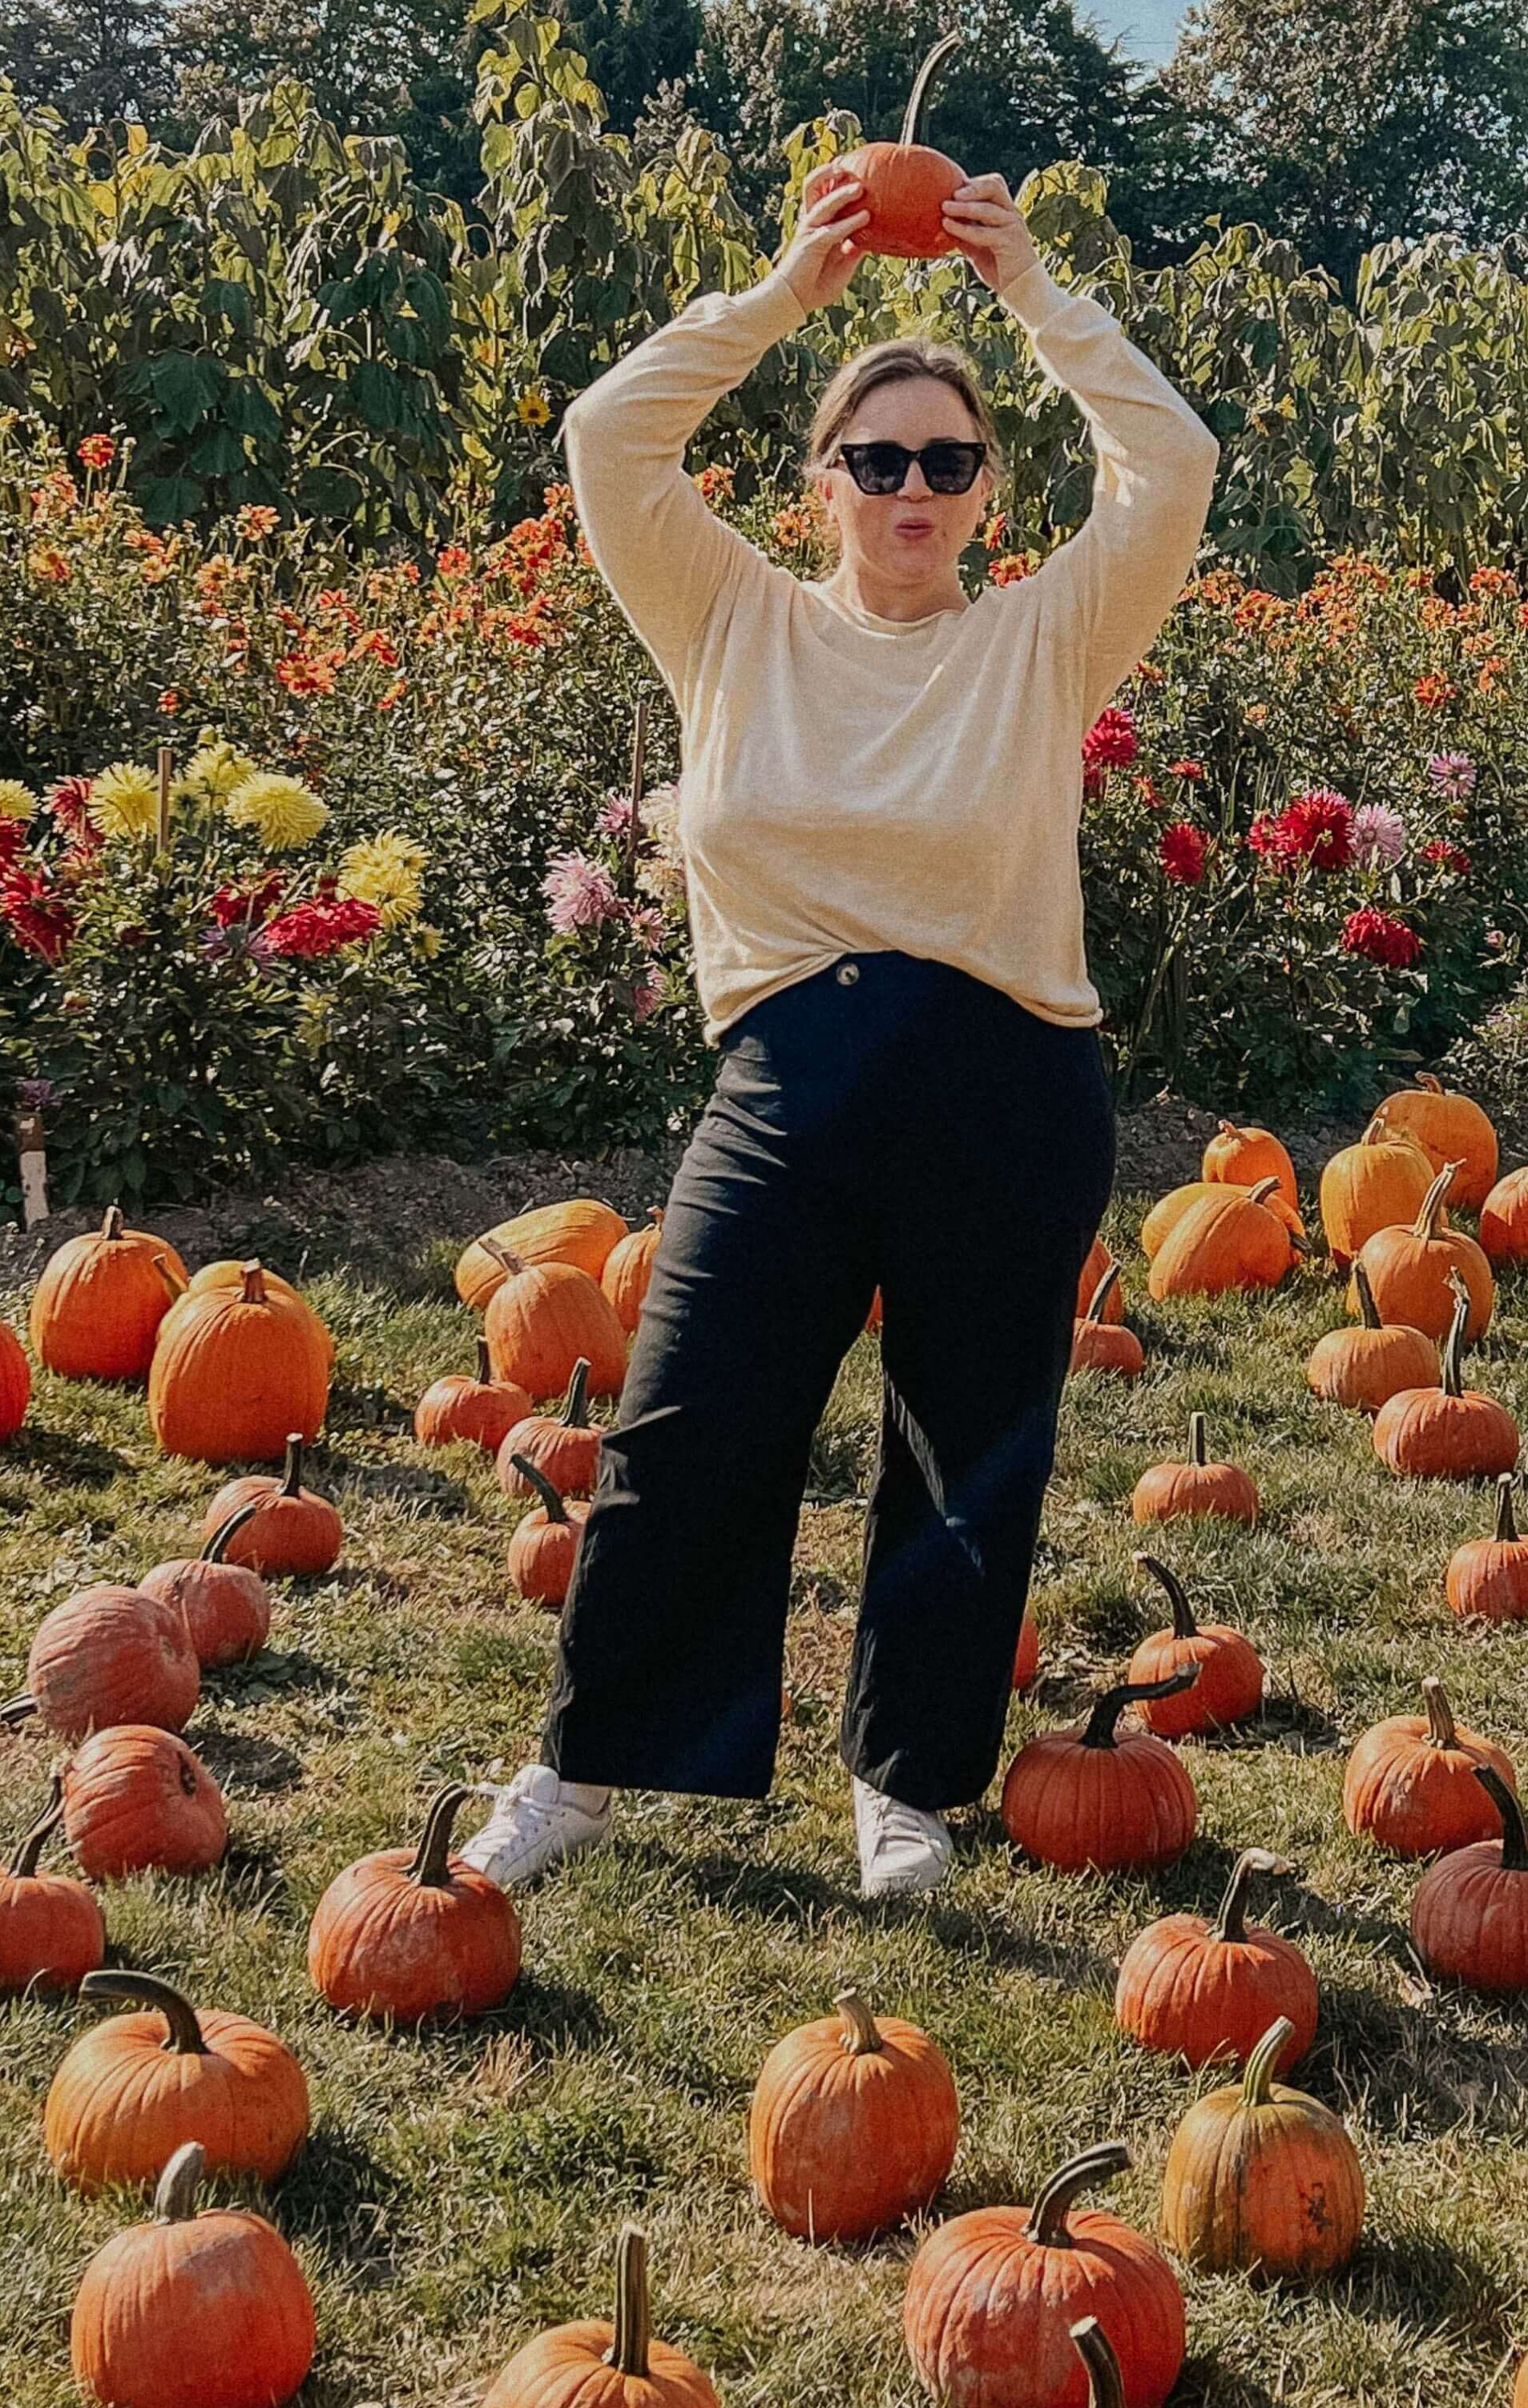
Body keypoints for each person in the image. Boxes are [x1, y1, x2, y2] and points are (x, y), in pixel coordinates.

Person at [460, 167, 1221, 1899]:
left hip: (1006, 1075)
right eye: (876, 457)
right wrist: (786, 295)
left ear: (985, 491)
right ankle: (587, 1761)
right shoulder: (728, 616)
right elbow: (607, 431)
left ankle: (908, 1783)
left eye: (947, 460)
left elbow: (1170, 464)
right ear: (823, 481)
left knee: (970, 1446)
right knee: (691, 1418)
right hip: (790, 1071)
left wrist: (1030, 285)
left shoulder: (1044, 636)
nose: (911, 487)